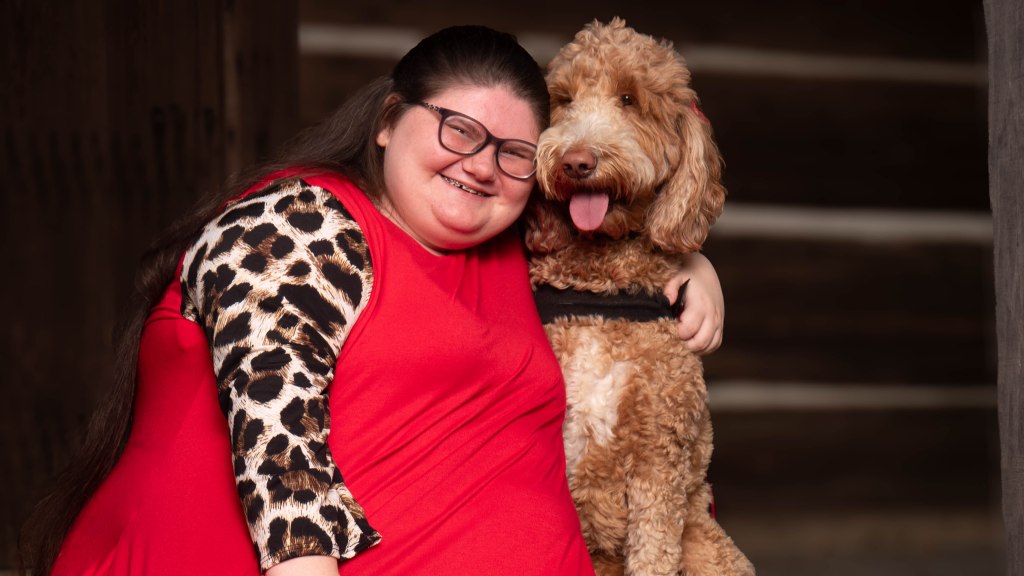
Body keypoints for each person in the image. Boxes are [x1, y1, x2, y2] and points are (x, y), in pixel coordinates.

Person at [22, 24, 725, 576]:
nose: (480, 166)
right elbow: (277, 428)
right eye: (458, 130)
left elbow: (611, 226)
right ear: (389, 120)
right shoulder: (298, 220)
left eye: (514, 153)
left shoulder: (511, 247)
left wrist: (690, 262)